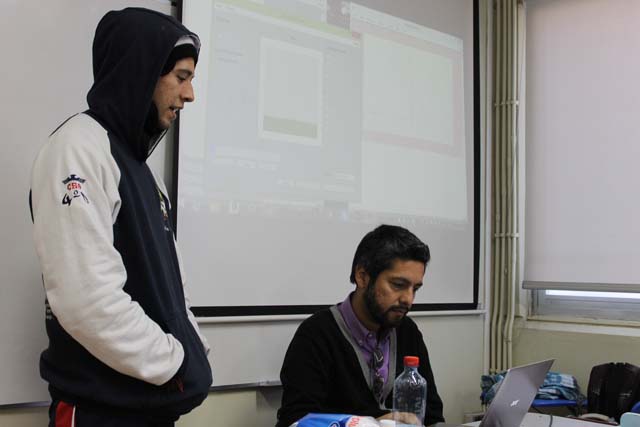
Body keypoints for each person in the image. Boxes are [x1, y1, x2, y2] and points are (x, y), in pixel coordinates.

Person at [29, 8, 212, 427]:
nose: (189, 95)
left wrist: (193, 352)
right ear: (141, 72)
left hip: (147, 409)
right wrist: (178, 364)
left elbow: (172, 290)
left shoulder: (141, 168)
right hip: (102, 413)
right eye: (181, 77)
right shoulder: (77, 149)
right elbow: (86, 299)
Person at [276, 225, 445, 427]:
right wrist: (373, 422)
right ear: (362, 276)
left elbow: (432, 414)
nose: (408, 299)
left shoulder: (407, 331)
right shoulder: (316, 335)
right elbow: (296, 419)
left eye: (415, 289)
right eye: (398, 285)